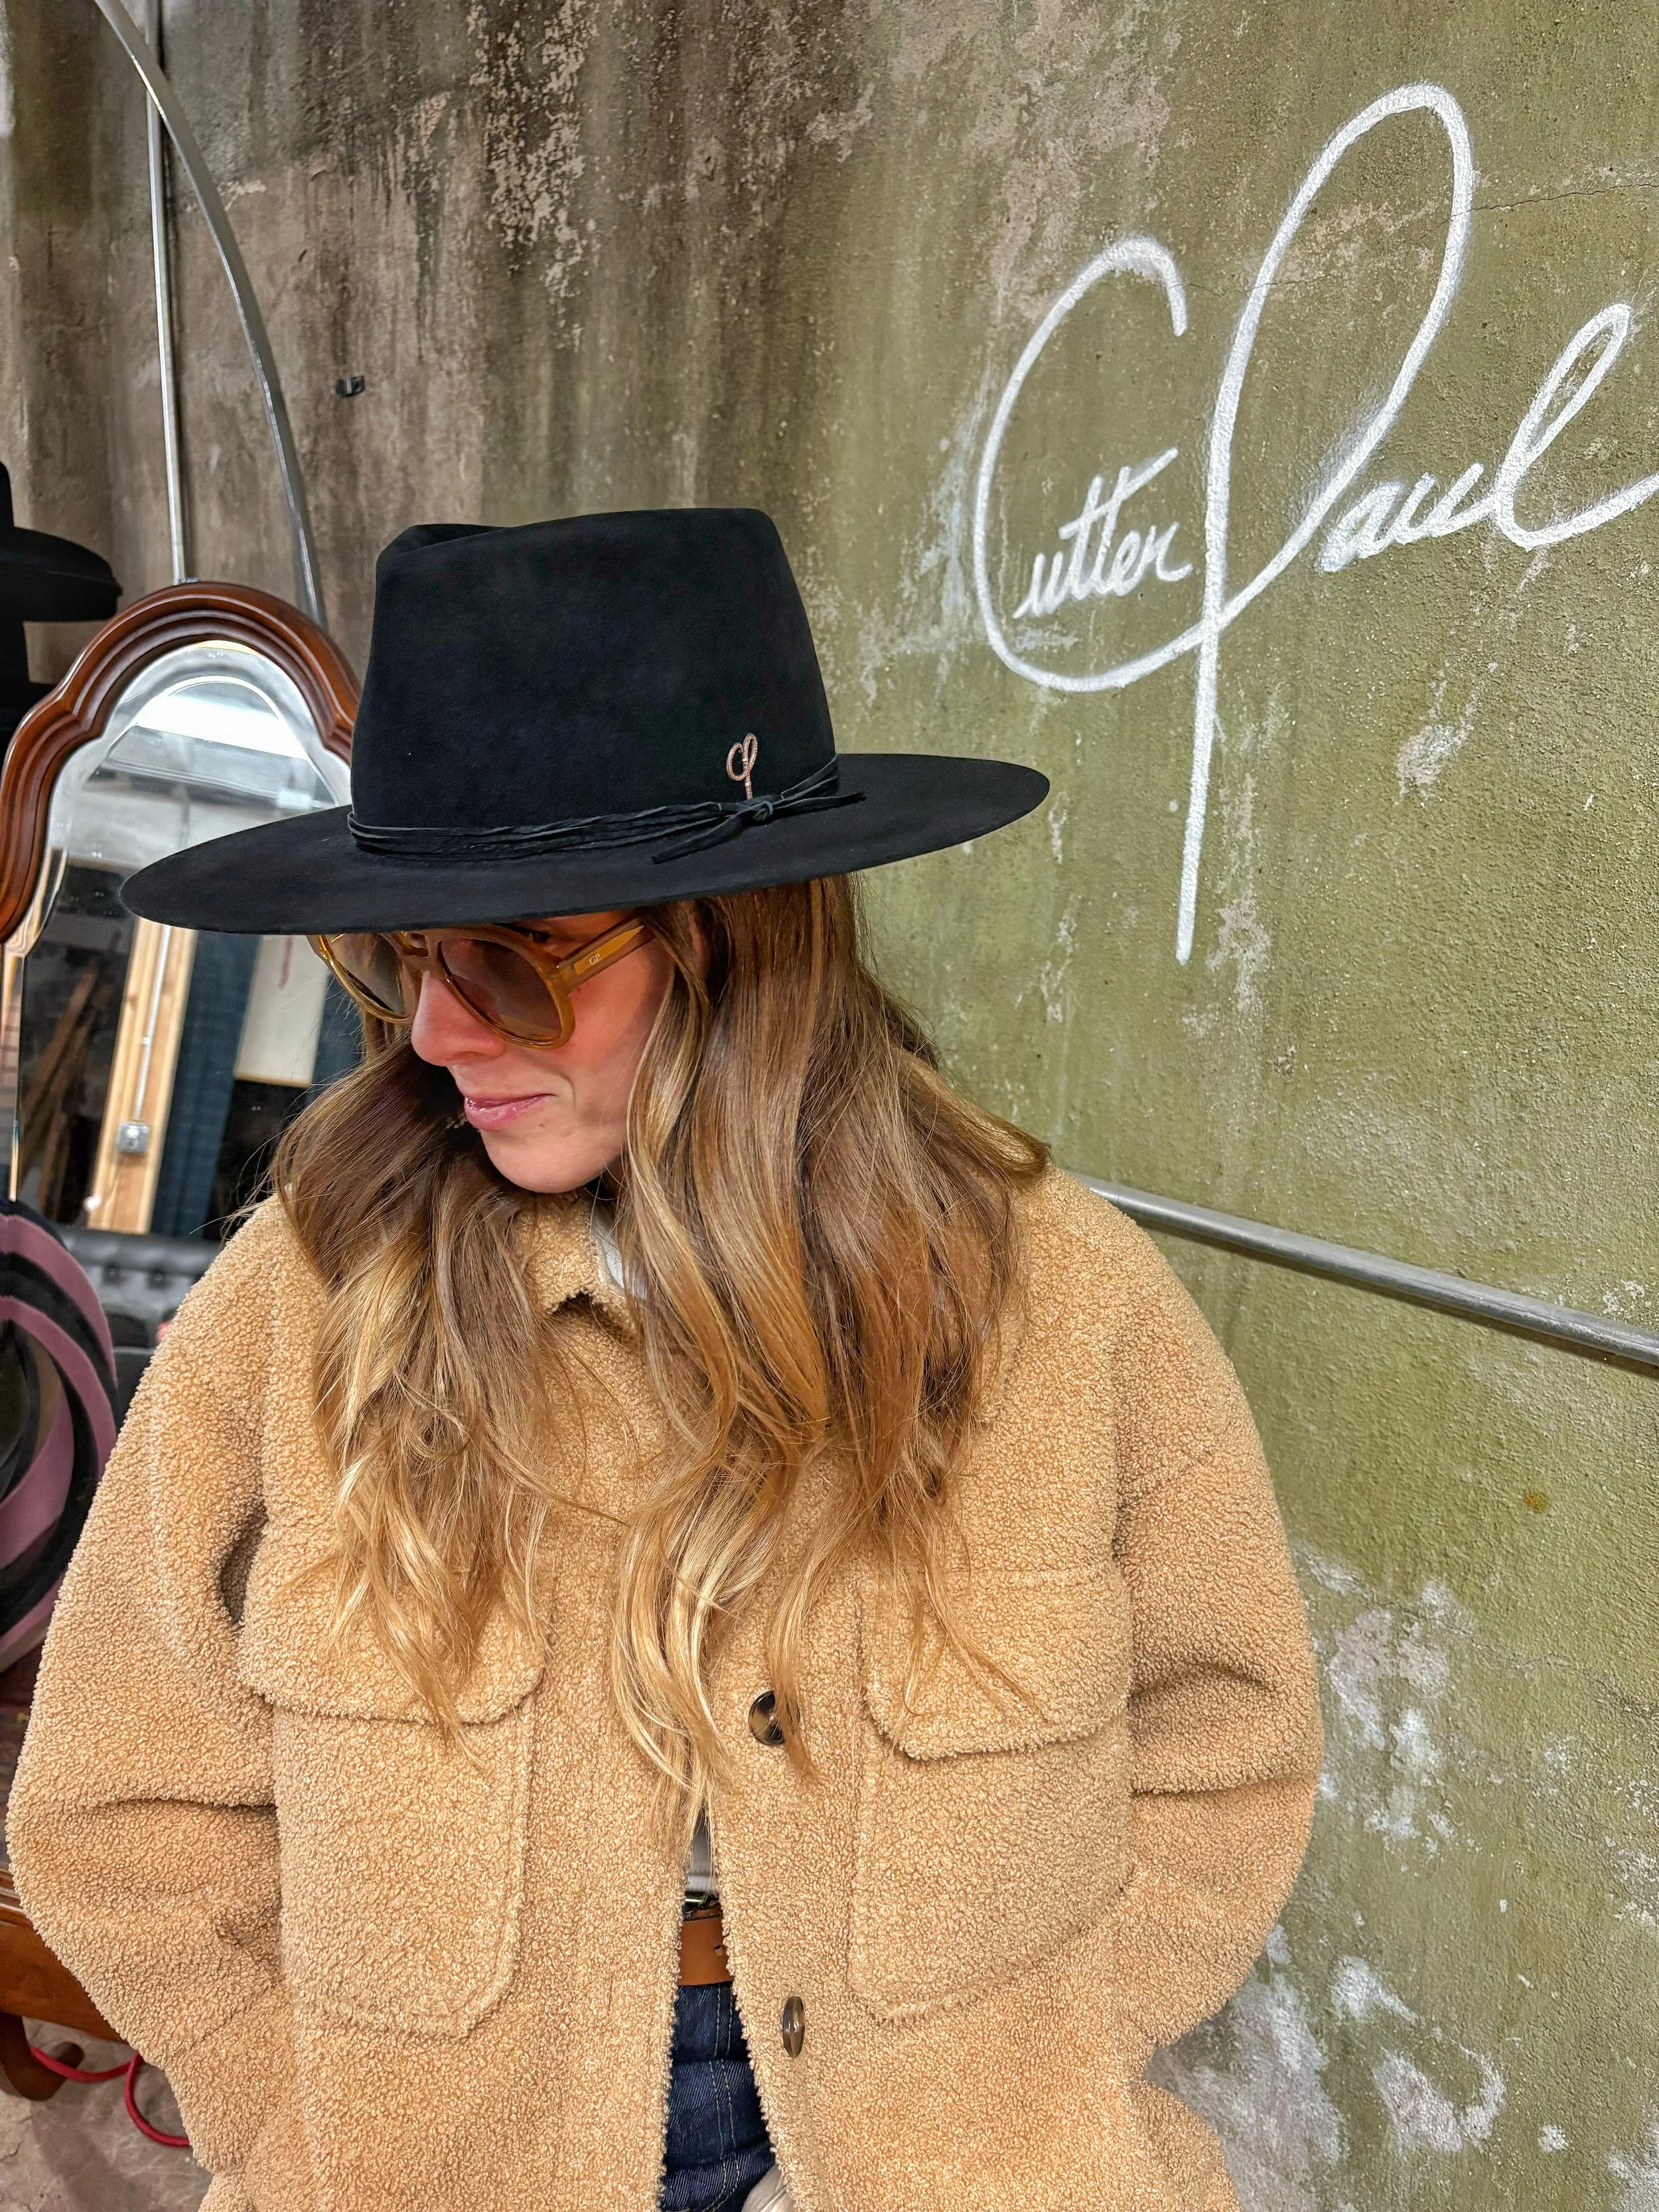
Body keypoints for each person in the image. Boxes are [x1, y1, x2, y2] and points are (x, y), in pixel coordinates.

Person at [8, 509, 1323, 2212]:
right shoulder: (307, 1302)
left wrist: (1043, 2048)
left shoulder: (1053, 1298)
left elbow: (1227, 1733)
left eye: (505, 957)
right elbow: (115, 1805)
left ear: (733, 943)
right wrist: (300, 2120)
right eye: (403, 954)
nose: (433, 1029)